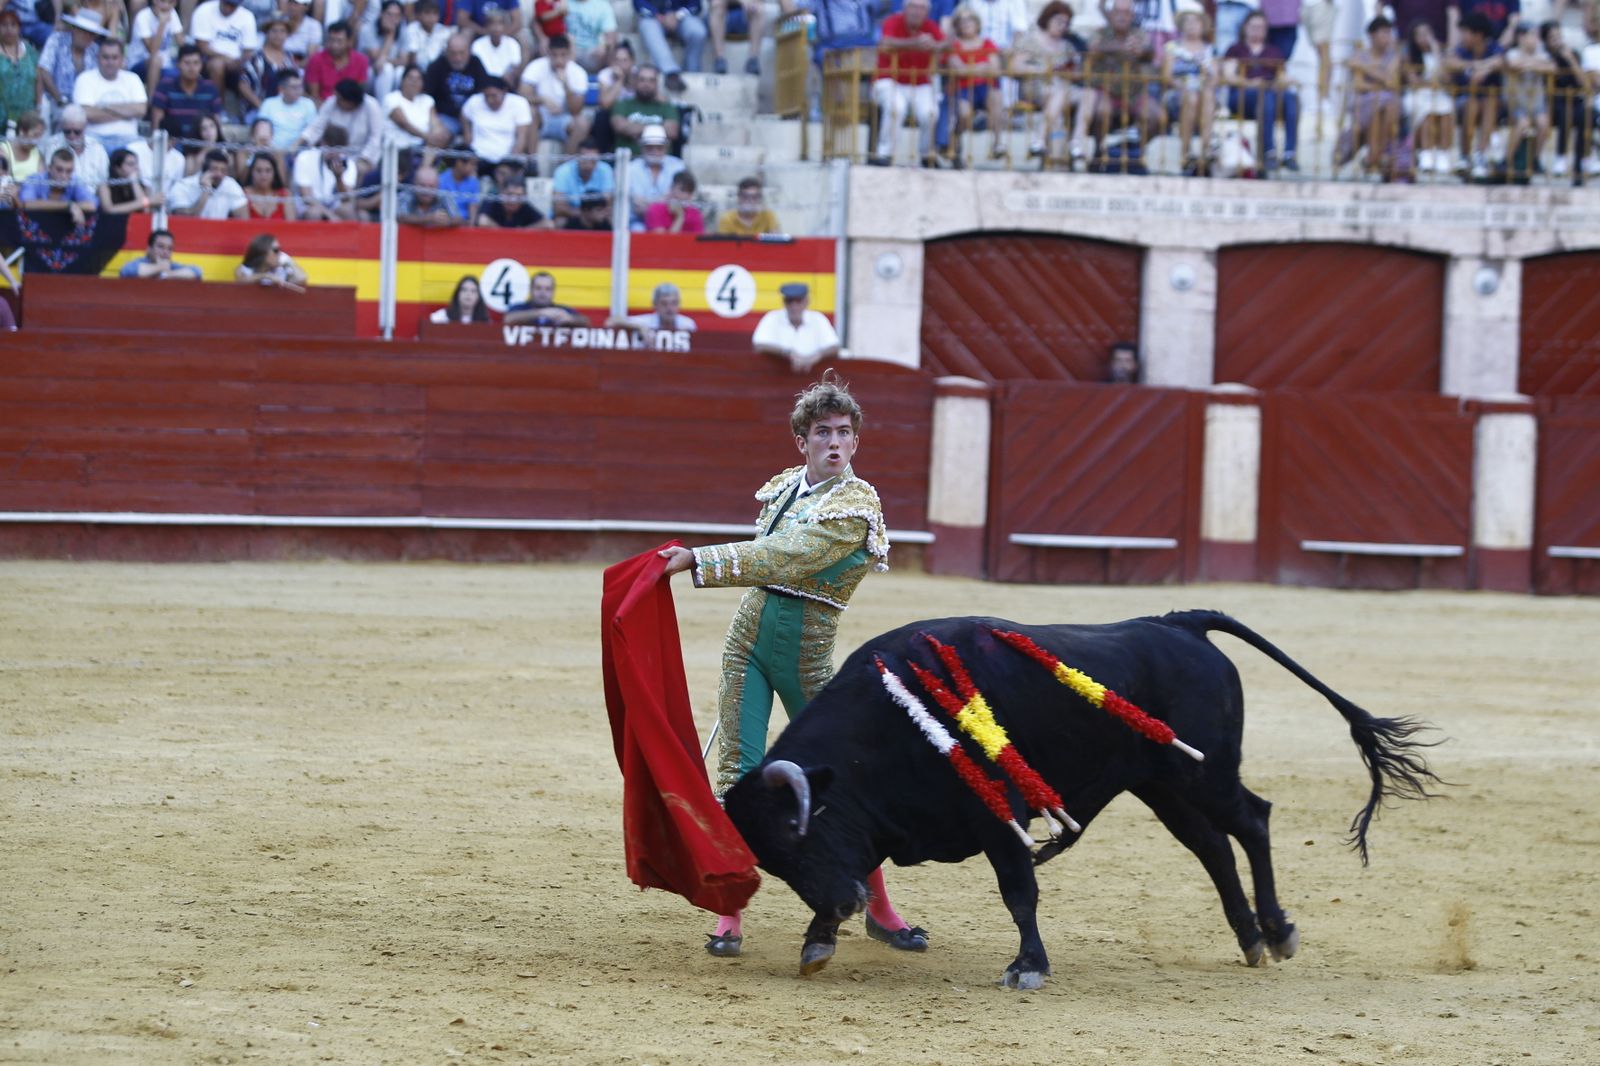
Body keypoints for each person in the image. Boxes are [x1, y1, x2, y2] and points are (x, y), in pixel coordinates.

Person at [657, 374, 924, 960]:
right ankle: (730, 912)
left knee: (846, 777)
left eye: (845, 433)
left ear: (855, 442)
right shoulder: (782, 491)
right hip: (746, 644)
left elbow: (789, 557)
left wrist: (699, 559)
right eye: (823, 432)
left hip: (807, 659)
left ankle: (879, 906)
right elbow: (772, 556)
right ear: (802, 440)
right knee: (737, 771)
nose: (835, 442)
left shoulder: (858, 503)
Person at [1011, 0, 1091, 163]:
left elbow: (1078, 72)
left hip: (1061, 87)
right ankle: (1038, 139)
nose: (1062, 26)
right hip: (1035, 87)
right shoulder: (1031, 40)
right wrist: (1043, 70)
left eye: (1066, 23)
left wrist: (1068, 72)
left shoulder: (1067, 45)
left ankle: (1077, 142)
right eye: (1059, 21)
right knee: (1059, 93)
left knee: (1088, 94)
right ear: (1048, 18)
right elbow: (1015, 66)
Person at [1085, 0, 1163, 165]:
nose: (1121, 16)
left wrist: (1141, 51)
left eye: (1126, 13)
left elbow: (1149, 52)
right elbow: (1091, 49)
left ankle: (1135, 151)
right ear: (1110, 15)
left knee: (1158, 117)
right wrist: (1121, 47)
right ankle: (1099, 153)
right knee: (1100, 112)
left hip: (1134, 92)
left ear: (1132, 16)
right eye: (1118, 12)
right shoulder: (1100, 32)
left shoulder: (1139, 33)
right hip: (1106, 90)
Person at [869, 0, 946, 167]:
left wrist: (935, 45)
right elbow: (885, 42)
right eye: (913, 6)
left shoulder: (931, 26)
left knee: (931, 112)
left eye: (921, 8)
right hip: (888, 79)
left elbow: (946, 44)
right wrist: (915, 43)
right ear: (904, 9)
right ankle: (885, 154)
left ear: (927, 12)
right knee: (897, 107)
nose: (916, 11)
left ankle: (927, 155)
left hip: (919, 81)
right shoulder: (892, 21)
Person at [1222, 10, 1300, 172]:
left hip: (1269, 93)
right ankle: (1268, 152)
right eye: (1254, 26)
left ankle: (1289, 153)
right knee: (1266, 96)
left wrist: (1287, 80)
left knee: (1291, 98)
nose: (1257, 30)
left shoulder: (1274, 51)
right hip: (1243, 96)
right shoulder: (1236, 49)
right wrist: (1250, 83)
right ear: (1245, 28)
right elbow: (1229, 76)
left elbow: (1281, 76)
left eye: (1261, 27)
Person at [1448, 12, 1506, 179]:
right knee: (1472, 103)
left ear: (1478, 34)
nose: (1462, 36)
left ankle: (1480, 154)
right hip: (1465, 100)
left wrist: (1486, 68)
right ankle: (1465, 155)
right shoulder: (1461, 50)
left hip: (1492, 102)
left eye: (1465, 32)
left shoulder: (1493, 47)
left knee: (1490, 100)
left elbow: (1502, 60)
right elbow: (1450, 61)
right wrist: (1476, 65)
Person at [1346, 15, 1402, 180]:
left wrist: (1365, 68)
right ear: (1372, 35)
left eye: (1389, 33)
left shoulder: (1393, 56)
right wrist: (1381, 79)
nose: (1387, 37)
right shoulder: (1360, 54)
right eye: (1383, 33)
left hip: (1386, 104)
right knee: (1380, 106)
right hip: (1363, 103)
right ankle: (1377, 157)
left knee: (1386, 106)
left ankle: (1374, 156)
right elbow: (1359, 85)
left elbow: (1391, 82)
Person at [1161, 10, 1216, 175]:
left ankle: (1206, 150)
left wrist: (1205, 81)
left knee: (1206, 94)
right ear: (1182, 26)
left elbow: (1215, 77)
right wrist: (1182, 86)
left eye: (1196, 22)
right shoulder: (1173, 47)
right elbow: (1167, 76)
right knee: (1191, 97)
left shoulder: (1209, 50)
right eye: (1188, 22)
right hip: (1178, 94)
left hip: (1204, 95)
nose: (1192, 25)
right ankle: (1186, 152)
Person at [71, 37, 146, 155]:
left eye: (114, 58)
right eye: (105, 57)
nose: (110, 62)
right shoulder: (85, 79)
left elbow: (141, 110)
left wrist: (103, 107)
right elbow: (87, 114)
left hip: (129, 140)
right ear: (98, 58)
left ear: (122, 59)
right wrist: (127, 113)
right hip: (94, 139)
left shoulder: (133, 79)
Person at [518, 33, 592, 153]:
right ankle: (532, 162)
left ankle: (567, 165)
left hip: (565, 118)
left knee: (582, 124)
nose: (559, 60)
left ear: (569, 54)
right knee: (530, 113)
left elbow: (576, 110)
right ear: (548, 53)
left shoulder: (578, 73)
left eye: (563, 55)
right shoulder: (536, 66)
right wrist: (542, 100)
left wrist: (566, 86)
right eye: (555, 55)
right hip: (541, 117)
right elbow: (522, 95)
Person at [1406, 20, 1458, 177]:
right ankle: (1426, 154)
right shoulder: (1409, 56)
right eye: (1420, 35)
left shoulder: (1439, 56)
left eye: (1427, 34)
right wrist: (1432, 84)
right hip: (1419, 94)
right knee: (1428, 111)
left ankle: (1443, 154)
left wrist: (1436, 50)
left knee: (1446, 110)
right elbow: (1414, 81)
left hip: (1438, 93)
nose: (1424, 38)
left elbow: (1446, 78)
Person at [301, 78, 385, 174]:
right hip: (333, 153)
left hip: (361, 154)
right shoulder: (332, 102)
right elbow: (317, 127)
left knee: (358, 169)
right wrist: (300, 142)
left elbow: (375, 137)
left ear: (351, 101)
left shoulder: (371, 106)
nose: (336, 100)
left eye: (340, 99)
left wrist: (363, 158)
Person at [752, 282, 840, 371]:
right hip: (778, 376)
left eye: (798, 301)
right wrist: (787, 353)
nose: (794, 306)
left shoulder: (818, 319)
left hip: (814, 377)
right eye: (789, 301)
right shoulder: (772, 317)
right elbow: (760, 345)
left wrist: (814, 357)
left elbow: (834, 347)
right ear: (784, 302)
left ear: (806, 301)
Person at [1503, 23, 1552, 178]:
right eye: (1532, 35)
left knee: (1544, 123)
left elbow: (1551, 67)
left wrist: (1529, 64)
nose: (1536, 39)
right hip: (1516, 103)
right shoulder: (1512, 53)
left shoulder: (1541, 53)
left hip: (1536, 104)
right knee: (1523, 124)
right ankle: (1506, 160)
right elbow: (1513, 65)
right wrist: (1535, 64)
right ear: (1521, 37)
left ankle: (1535, 159)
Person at [36, 11, 106, 117]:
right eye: (83, 31)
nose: (87, 36)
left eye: (91, 33)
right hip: (54, 103)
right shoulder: (56, 39)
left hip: (86, 107)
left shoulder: (95, 50)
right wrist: (60, 100)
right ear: (74, 29)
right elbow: (43, 71)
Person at [190, 0, 260, 104]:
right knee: (217, 65)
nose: (228, 8)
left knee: (254, 69)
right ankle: (218, 107)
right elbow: (202, 46)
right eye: (226, 4)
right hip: (207, 60)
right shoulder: (204, 10)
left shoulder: (247, 16)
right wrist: (225, 58)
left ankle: (257, 110)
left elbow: (249, 50)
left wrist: (238, 62)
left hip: (238, 62)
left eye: (232, 6)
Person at [19, 147, 98, 236]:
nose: (64, 175)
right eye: (59, 170)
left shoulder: (75, 181)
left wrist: (73, 205)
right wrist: (69, 205)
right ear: (49, 168)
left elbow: (92, 205)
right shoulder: (34, 179)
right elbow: (27, 204)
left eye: (69, 171)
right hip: (35, 233)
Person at [461, 75, 534, 169]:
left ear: (504, 91)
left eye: (494, 96)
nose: (490, 100)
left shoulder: (519, 103)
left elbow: (521, 137)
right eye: (486, 96)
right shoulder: (475, 101)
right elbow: (463, 115)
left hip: (506, 157)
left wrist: (509, 161)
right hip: (478, 157)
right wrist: (467, 133)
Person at [424, 32, 489, 137]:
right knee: (439, 136)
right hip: (446, 116)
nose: (458, 58)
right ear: (446, 52)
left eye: (461, 53)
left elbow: (483, 90)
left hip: (472, 117)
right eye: (453, 53)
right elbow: (428, 97)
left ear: (469, 51)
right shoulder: (436, 66)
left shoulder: (476, 63)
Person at [151, 45, 223, 139]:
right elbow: (157, 124)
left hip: (201, 144)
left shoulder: (210, 88)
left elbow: (216, 124)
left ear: (201, 65)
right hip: (172, 144)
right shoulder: (165, 86)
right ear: (178, 64)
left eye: (196, 63)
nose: (192, 67)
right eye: (187, 63)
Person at [634, 0, 706, 93]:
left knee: (697, 31)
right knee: (647, 26)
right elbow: (638, 3)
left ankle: (692, 72)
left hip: (682, 17)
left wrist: (677, 15)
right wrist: (658, 16)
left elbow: (696, 4)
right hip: (654, 18)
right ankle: (671, 72)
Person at [293, 125, 359, 219]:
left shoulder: (349, 164)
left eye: (338, 149)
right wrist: (329, 215)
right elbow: (307, 197)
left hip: (333, 205)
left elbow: (346, 199)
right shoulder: (305, 157)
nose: (334, 153)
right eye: (330, 147)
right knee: (314, 213)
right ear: (323, 144)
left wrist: (338, 178)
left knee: (347, 210)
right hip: (309, 206)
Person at [610, 62, 679, 152]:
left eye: (651, 80)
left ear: (657, 83)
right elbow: (620, 127)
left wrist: (635, 129)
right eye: (642, 80)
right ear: (635, 82)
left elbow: (672, 132)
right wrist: (659, 129)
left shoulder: (667, 106)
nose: (646, 84)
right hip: (630, 161)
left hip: (662, 162)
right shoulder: (623, 104)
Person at [626, 122, 684, 228]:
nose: (654, 151)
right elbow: (637, 204)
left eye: (659, 147)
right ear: (642, 148)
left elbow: (678, 198)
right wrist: (662, 202)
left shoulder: (677, 166)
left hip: (669, 220)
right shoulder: (631, 169)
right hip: (639, 221)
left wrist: (649, 205)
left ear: (666, 148)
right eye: (650, 147)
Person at [169, 146, 250, 218]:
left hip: (220, 233)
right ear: (204, 169)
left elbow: (243, 218)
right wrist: (206, 192)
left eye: (223, 170)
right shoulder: (183, 185)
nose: (219, 174)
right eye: (215, 169)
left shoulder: (230, 184)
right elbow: (183, 219)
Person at [605, 280, 696, 342]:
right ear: (655, 305)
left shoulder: (687, 324)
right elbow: (611, 321)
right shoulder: (646, 322)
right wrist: (639, 327)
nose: (670, 308)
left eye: (674, 303)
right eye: (664, 303)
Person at [43, 106, 110, 190]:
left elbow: (103, 181)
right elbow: (51, 177)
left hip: (93, 198)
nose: (72, 136)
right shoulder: (52, 144)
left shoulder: (96, 147)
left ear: (85, 127)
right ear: (62, 127)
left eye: (77, 132)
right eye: (67, 131)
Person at [305, 21, 370, 102]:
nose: (334, 45)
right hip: (323, 106)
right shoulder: (315, 60)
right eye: (331, 40)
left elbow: (359, 93)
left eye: (339, 41)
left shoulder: (361, 60)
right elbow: (314, 95)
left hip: (351, 106)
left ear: (349, 41)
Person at [550, 136, 613, 219]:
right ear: (577, 158)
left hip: (598, 218)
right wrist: (587, 216)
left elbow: (607, 204)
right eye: (585, 160)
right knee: (560, 221)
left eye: (593, 161)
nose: (588, 166)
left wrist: (593, 216)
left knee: (611, 219)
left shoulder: (606, 169)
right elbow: (559, 208)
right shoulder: (563, 171)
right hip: (572, 217)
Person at [0, 9, 41, 134]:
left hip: (28, 115)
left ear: (19, 28)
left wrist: (39, 107)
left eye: (13, 25)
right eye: (4, 25)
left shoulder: (31, 52)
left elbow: (38, 80)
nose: (9, 29)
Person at [362, 1, 411, 100]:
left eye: (397, 15)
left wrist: (388, 61)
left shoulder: (403, 30)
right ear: (381, 13)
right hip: (368, 72)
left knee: (400, 72)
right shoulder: (368, 29)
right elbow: (377, 62)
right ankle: (383, 106)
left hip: (390, 70)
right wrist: (390, 36)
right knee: (386, 69)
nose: (392, 19)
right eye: (389, 14)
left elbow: (404, 61)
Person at [503, 269, 588, 325]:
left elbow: (585, 321)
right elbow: (508, 319)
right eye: (538, 288)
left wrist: (570, 319)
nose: (542, 292)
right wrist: (541, 313)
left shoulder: (560, 310)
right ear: (530, 289)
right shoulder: (519, 308)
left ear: (553, 291)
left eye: (547, 289)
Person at [259, 70, 319, 149]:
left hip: (300, 150)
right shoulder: (269, 104)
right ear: (281, 89)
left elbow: (312, 130)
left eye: (300, 87)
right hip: (272, 150)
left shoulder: (308, 104)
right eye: (294, 88)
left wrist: (295, 146)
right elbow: (262, 128)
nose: (299, 91)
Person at [469, 6, 526, 85]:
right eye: (492, 23)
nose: (496, 27)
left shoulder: (512, 44)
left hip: (505, 85)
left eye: (500, 23)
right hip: (484, 84)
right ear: (487, 26)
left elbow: (514, 66)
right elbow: (477, 69)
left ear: (505, 26)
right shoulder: (478, 44)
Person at [477, 163, 547, 226]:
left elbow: (547, 224)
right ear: (502, 192)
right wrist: (506, 235)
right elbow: (483, 221)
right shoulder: (492, 200)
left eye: (518, 196)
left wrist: (521, 233)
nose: (513, 200)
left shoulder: (524, 205)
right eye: (509, 194)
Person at [708, 0, 765, 76]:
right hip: (720, 13)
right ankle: (719, 59)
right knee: (717, 4)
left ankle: (753, 60)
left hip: (744, 16)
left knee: (758, 8)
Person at [97, 146, 160, 213]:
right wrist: (147, 201)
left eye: (136, 164)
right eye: (131, 164)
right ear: (117, 168)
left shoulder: (145, 187)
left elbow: (145, 210)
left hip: (136, 222)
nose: (136, 168)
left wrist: (135, 183)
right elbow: (109, 209)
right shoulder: (105, 187)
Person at [119, 228, 202, 278]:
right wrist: (160, 267)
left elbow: (197, 272)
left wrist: (167, 275)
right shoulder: (141, 263)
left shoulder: (172, 266)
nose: (166, 252)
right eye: (161, 247)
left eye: (170, 249)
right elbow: (127, 270)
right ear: (149, 249)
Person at [236, 232, 308, 289]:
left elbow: (302, 280)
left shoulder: (283, 268)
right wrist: (265, 276)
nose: (279, 253)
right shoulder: (246, 269)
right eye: (276, 250)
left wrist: (289, 261)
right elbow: (241, 281)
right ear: (263, 252)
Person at [397, 162, 462, 225]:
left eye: (431, 186)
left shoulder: (444, 196)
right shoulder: (406, 195)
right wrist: (428, 218)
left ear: (437, 186)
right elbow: (399, 217)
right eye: (422, 185)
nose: (426, 190)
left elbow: (458, 219)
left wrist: (448, 221)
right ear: (415, 184)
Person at [565, 0, 619, 72]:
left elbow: (611, 34)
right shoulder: (563, 3)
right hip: (567, 50)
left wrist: (604, 46)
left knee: (608, 49)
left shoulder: (602, 5)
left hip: (592, 52)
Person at [716, 175, 780, 234]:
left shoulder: (768, 216)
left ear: (759, 199)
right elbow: (724, 245)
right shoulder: (727, 219)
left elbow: (777, 243)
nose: (750, 201)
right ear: (739, 198)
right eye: (745, 197)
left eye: (754, 197)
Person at [243, 150, 296, 218]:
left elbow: (291, 227)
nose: (263, 175)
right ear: (252, 172)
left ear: (274, 173)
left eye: (268, 170)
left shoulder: (285, 195)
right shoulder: (243, 195)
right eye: (259, 170)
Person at [405, 0, 454, 70]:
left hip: (437, 69)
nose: (431, 17)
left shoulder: (444, 31)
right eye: (427, 13)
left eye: (435, 13)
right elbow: (413, 56)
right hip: (418, 69)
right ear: (418, 15)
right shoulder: (412, 28)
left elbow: (446, 55)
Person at [2, 111, 46, 183]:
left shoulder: (38, 155)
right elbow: (4, 181)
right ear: (22, 131)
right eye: (35, 135)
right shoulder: (3, 150)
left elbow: (41, 185)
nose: (37, 141)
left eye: (40, 137)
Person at [438, 149, 483, 220]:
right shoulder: (441, 179)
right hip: (445, 223)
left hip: (464, 225)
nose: (474, 168)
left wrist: (470, 230)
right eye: (472, 164)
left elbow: (473, 210)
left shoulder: (473, 182)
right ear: (459, 163)